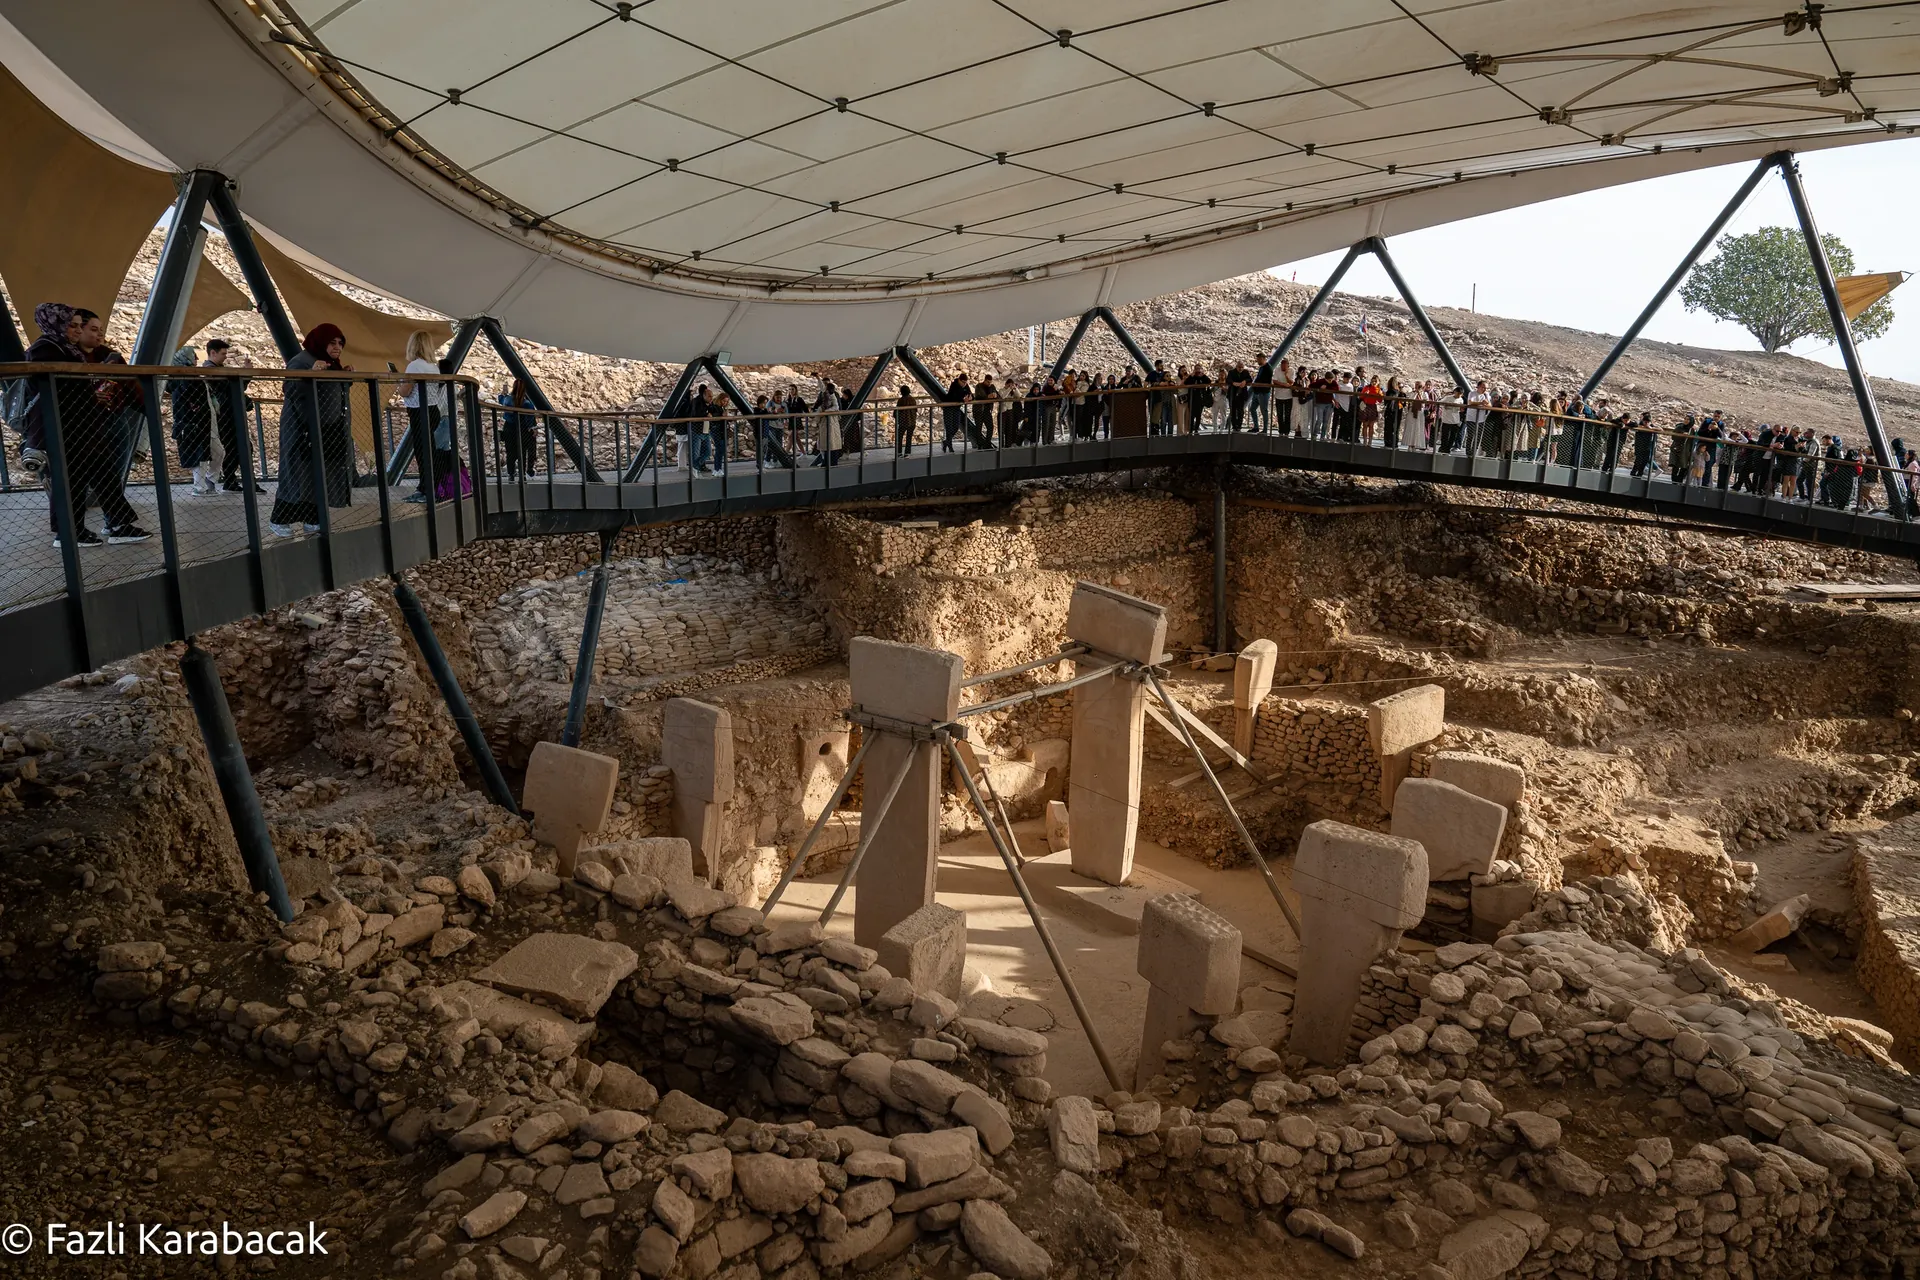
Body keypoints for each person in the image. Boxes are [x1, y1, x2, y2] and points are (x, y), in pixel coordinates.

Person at [269, 323, 353, 537]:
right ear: (320, 342)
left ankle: (312, 519)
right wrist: (310, 373)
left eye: (340, 343)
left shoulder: (331, 363)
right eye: (332, 343)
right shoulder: (302, 361)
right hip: (302, 431)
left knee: (318, 475)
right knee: (296, 474)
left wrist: (344, 377)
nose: (337, 347)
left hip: (327, 430)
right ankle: (279, 520)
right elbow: (291, 389)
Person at [399, 329, 454, 500]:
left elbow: (405, 391)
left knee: (422, 452)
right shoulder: (433, 367)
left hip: (418, 411)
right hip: (432, 410)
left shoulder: (414, 366)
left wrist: (399, 383)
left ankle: (426, 489)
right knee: (430, 451)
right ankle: (429, 487)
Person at [498, 376, 538, 480]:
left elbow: (501, 400)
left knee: (510, 453)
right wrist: (532, 428)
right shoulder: (527, 403)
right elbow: (530, 417)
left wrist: (503, 393)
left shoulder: (507, 400)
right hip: (522, 429)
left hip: (509, 428)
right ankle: (523, 474)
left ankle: (511, 474)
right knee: (522, 452)